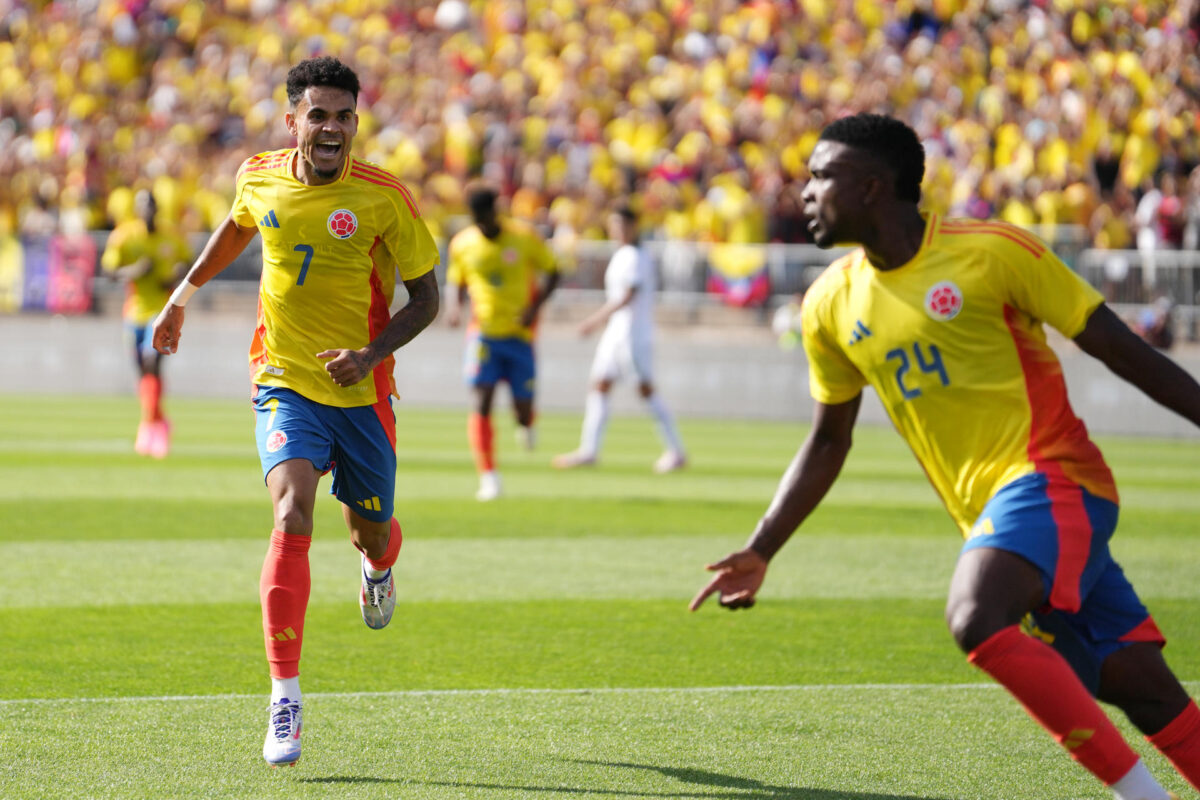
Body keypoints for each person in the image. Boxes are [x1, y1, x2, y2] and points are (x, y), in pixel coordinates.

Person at [690, 113, 1200, 800]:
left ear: (873, 187)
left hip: (1055, 479)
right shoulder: (828, 305)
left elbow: (1119, 347)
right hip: (995, 517)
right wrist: (762, 548)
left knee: (974, 614)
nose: (803, 192)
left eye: (820, 176)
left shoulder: (992, 253)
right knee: (1141, 689)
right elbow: (828, 440)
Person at [150, 56, 440, 768]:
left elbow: (429, 300)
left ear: (356, 122)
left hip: (364, 394)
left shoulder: (383, 199)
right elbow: (236, 227)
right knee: (292, 515)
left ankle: (379, 567)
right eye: (320, 115)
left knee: (370, 532)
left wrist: (370, 355)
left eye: (345, 116)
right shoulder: (259, 174)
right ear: (294, 121)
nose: (333, 128)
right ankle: (286, 698)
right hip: (283, 378)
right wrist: (179, 297)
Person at [444, 183, 560, 501]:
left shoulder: (524, 238)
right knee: (481, 401)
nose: (483, 223)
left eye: (487, 216)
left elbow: (554, 270)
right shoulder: (464, 244)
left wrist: (534, 309)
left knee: (522, 411)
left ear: (496, 211)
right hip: (483, 336)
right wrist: (454, 308)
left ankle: (526, 422)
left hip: (520, 337)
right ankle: (489, 476)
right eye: (477, 218)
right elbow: (456, 279)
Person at [552, 205, 686, 473]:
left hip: (633, 333)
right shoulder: (623, 254)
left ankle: (675, 451)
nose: (617, 230)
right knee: (599, 385)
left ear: (633, 226)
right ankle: (589, 449)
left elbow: (626, 296)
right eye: (614, 225)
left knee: (645, 390)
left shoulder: (637, 256)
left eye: (621, 225)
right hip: (617, 332)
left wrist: (593, 321)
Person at [100, 189, 190, 458]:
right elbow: (108, 272)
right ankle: (159, 421)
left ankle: (149, 427)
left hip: (160, 313)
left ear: (157, 209)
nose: (148, 210)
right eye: (143, 206)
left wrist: (176, 274)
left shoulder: (171, 235)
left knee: (153, 363)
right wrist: (135, 271)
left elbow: (188, 261)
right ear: (137, 210)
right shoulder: (125, 236)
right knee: (143, 373)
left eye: (152, 205)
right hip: (134, 313)